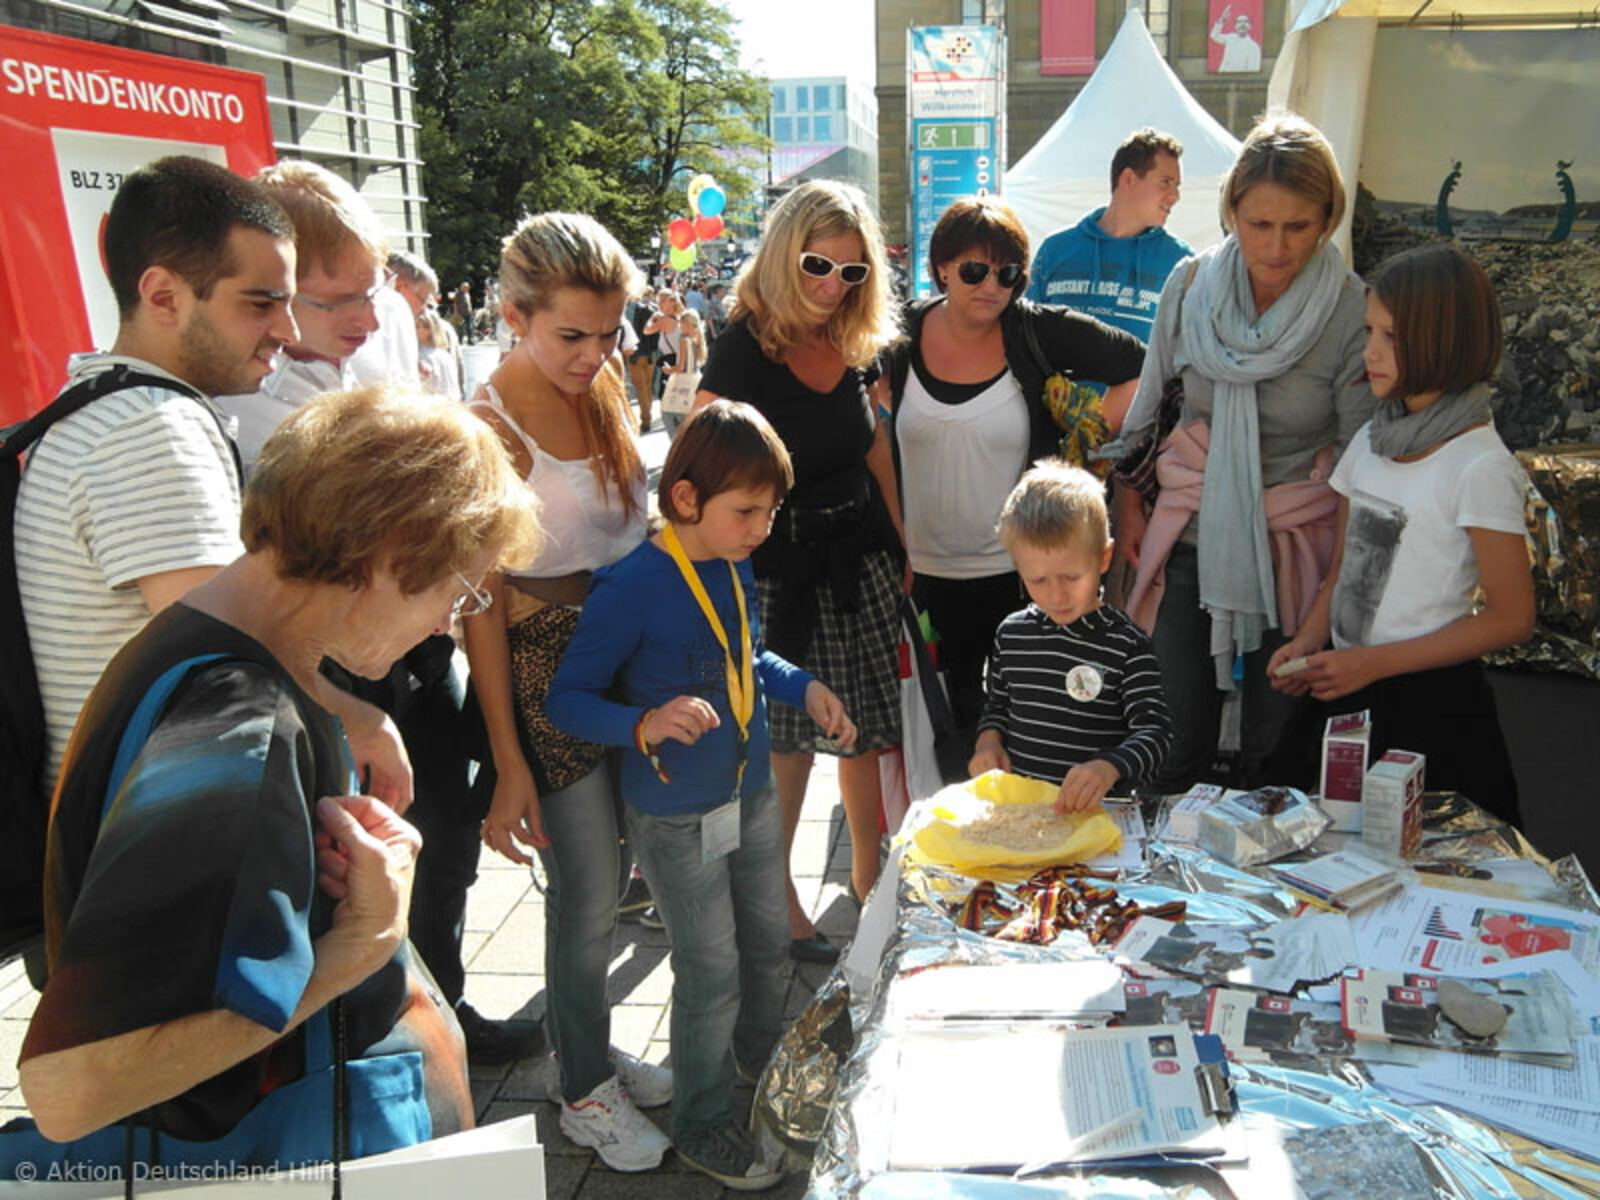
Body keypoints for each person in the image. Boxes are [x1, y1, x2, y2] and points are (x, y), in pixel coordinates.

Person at [5, 385, 538, 1175]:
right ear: (387, 553)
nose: (445, 625)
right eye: (455, 591)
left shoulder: (203, 638)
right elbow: (72, 1090)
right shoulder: (240, 724)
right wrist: (361, 946)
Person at [548, 401, 855, 1191]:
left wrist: (804, 684)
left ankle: (755, 1069)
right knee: (710, 969)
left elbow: (747, 656)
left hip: (749, 796)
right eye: (747, 511)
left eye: (771, 511)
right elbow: (568, 701)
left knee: (766, 947)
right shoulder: (631, 587)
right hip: (676, 817)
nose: (762, 527)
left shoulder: (731, 558)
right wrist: (644, 723)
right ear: (686, 501)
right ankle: (703, 1120)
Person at [464, 213, 671, 1170]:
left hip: (627, 656)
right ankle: (582, 1086)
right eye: (570, 335)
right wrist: (508, 761)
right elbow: (482, 605)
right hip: (545, 666)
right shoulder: (484, 424)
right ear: (514, 316)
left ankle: (584, 1048)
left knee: (619, 877)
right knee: (585, 890)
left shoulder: (602, 391)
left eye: (610, 333)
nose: (594, 354)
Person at [14, 158, 299, 804]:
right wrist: (358, 716)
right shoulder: (151, 428)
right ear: (164, 295)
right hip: (140, 831)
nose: (288, 330)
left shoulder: (96, 403)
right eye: (262, 303)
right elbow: (227, 650)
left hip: (124, 822)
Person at [1114, 113, 1375, 792]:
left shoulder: (1353, 311)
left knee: (1274, 754)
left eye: (1298, 226)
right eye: (1260, 224)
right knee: (1168, 747)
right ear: (1231, 211)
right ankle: (1162, 895)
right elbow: (1150, 410)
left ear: (1327, 219)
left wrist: (1325, 607)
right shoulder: (1190, 284)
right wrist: (1131, 508)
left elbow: (1358, 470)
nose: (1279, 246)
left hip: (1298, 550)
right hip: (1188, 535)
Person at [696, 180, 903, 963]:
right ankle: (776, 902)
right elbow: (702, 457)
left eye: (852, 273)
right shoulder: (746, 345)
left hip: (857, 557)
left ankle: (866, 876)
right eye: (818, 265)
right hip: (778, 573)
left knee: (864, 735)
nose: (831, 286)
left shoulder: (854, 340)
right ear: (785, 254)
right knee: (786, 746)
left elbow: (873, 443)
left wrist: (901, 533)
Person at [1267, 244, 1532, 824]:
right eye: (1369, 331)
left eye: (1392, 336)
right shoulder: (1369, 439)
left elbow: (1512, 617)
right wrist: (1312, 641)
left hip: (1429, 707)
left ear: (1444, 340)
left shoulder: (1479, 465)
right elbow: (1343, 565)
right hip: (1347, 688)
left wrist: (1377, 663)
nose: (1371, 352)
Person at [885, 196, 1145, 754]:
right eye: (975, 271)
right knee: (941, 736)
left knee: (1025, 731)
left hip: (1020, 575)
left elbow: (1140, 366)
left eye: (1008, 274)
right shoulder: (898, 336)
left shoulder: (1036, 333)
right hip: (923, 575)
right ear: (941, 271)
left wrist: (1087, 431)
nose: (991, 287)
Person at [970, 461, 1171, 811]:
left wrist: (1110, 767)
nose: (1056, 596)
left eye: (1071, 577)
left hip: (1098, 818)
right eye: (1038, 580)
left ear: (1104, 558)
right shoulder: (1011, 635)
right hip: (1025, 817)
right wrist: (987, 743)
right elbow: (998, 707)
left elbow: (1156, 735)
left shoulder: (1126, 645)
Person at [215, 160, 388, 477]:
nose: (373, 322)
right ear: (275, 290)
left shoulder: (382, 336)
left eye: (374, 292)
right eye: (340, 301)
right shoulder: (228, 410)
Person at [1026, 128, 1192, 351]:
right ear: (1128, 178)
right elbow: (1026, 335)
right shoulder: (1055, 249)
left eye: (1177, 186)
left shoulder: (1182, 262)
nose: (1175, 196)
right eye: (1165, 182)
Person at [661, 307, 706, 439]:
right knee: (690, 419)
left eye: (681, 323)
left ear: (686, 324)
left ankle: (676, 447)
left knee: (668, 413)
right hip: (696, 380)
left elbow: (680, 367)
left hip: (682, 382)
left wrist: (669, 369)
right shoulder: (698, 338)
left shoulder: (683, 339)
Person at [1211, 6, 1262, 73]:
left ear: (1250, 26)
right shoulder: (1230, 38)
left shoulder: (1254, 47)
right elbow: (1214, 35)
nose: (1242, 24)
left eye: (1245, 21)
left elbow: (1253, 70)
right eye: (1239, 22)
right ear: (1235, 26)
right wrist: (1222, 19)